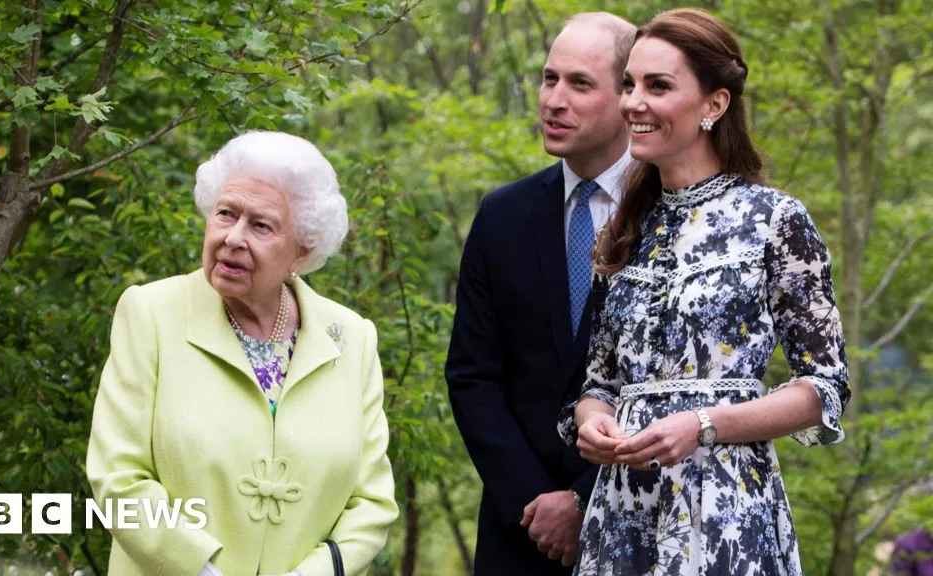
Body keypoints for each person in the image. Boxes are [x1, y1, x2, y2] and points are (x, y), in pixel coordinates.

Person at [557, 8, 851, 574]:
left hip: (726, 512)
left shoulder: (774, 220)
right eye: (629, 84)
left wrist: (704, 426)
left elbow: (824, 389)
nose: (633, 103)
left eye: (658, 86)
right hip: (622, 514)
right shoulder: (625, 226)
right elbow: (600, 383)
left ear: (714, 105)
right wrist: (594, 423)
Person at [86, 131, 398, 576]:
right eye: (225, 214)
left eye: (261, 225)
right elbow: (118, 479)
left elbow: (372, 503)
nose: (233, 237)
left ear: (302, 249)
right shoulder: (151, 314)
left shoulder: (351, 338)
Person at [445, 13, 637, 575]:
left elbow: (685, 390)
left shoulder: (670, 218)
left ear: (628, 96)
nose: (554, 99)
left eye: (579, 84)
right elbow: (472, 375)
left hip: (640, 522)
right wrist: (537, 503)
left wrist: (583, 499)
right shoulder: (502, 215)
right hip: (519, 533)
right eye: (549, 79)